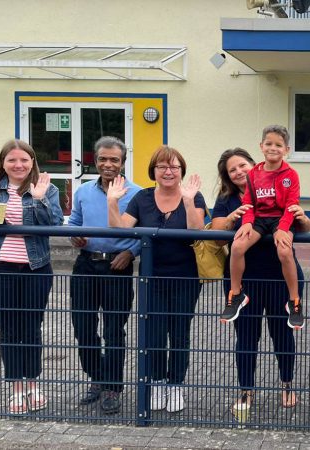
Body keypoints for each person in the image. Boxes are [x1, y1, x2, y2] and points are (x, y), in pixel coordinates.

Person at [0, 139, 63, 414]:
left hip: (36, 268)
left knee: (31, 328)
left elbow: (54, 224)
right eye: (12, 160)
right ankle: (16, 388)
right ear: (3, 163)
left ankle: (33, 384)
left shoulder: (47, 188)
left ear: (32, 162)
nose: (18, 165)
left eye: (24, 160)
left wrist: (41, 200)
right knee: (9, 329)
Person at [211, 148, 310, 411]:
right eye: (232, 170)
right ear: (228, 177)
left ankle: (287, 384)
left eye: (242, 165)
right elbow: (217, 234)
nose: (239, 172)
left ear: (254, 165)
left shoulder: (277, 185)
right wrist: (235, 218)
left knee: (282, 334)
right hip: (245, 280)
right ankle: (246, 390)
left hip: (279, 275)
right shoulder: (226, 200)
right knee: (246, 336)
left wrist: (303, 218)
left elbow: (302, 224)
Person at [107, 145, 205, 413]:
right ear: (154, 171)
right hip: (152, 278)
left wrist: (188, 199)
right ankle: (158, 384)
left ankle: (175, 386)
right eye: (162, 166)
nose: (168, 171)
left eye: (174, 166)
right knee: (155, 334)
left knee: (180, 333)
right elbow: (120, 228)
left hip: (185, 277)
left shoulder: (194, 196)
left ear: (182, 170)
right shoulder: (143, 198)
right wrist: (112, 201)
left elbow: (197, 231)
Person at [68, 136, 141, 414]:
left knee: (113, 331)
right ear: (95, 161)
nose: (108, 164)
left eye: (114, 159)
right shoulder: (83, 191)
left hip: (117, 268)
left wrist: (131, 252)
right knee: (83, 328)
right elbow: (74, 222)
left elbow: (143, 230)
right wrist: (74, 236)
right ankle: (97, 378)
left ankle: (112, 387)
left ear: (122, 162)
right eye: (102, 159)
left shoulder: (136, 193)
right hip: (86, 265)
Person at [222, 125, 304, 329]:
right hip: (259, 219)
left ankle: (294, 301)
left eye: (278, 145)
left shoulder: (291, 174)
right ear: (261, 146)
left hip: (281, 218)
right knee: (237, 247)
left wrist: (284, 228)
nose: (273, 148)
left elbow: (292, 205)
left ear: (287, 149)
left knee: (284, 251)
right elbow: (248, 203)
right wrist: (247, 222)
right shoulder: (254, 173)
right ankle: (236, 294)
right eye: (269, 144)